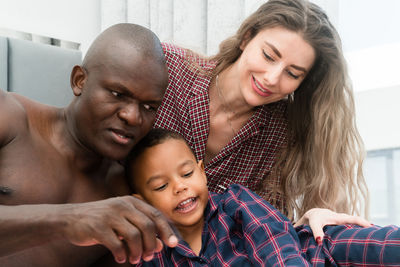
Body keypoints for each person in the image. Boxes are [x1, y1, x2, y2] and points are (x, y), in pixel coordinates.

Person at [154, 0, 370, 238]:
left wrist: (307, 222)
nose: (272, 78)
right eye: (268, 56)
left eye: (292, 73)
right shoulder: (166, 67)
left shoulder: (283, 136)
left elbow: (261, 231)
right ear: (246, 38)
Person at [0, 23, 178, 266]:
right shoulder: (9, 116)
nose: (133, 117)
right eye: (118, 94)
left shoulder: (123, 196)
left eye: (149, 107)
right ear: (79, 80)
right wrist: (68, 220)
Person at [125, 128, 400, 266]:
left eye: (186, 174)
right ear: (142, 201)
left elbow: (272, 237)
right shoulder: (155, 255)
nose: (179, 187)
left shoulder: (235, 203)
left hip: (319, 251)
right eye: (161, 187)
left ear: (202, 172)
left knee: (383, 246)